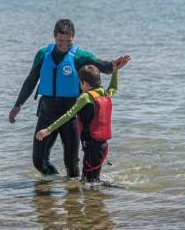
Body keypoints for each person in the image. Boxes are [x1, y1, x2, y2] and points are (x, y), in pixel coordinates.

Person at [8, 18, 131, 178]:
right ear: (54, 36)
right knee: (39, 161)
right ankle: (55, 184)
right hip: (46, 113)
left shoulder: (79, 55)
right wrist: (18, 105)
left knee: (71, 164)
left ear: (73, 38)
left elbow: (102, 66)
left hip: (71, 114)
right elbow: (31, 80)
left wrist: (114, 66)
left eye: (68, 41)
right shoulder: (43, 54)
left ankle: (71, 198)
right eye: (60, 40)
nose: (64, 44)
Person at [36, 62, 128, 183]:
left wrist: (48, 130)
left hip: (90, 147)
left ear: (84, 83)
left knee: (87, 182)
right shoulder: (105, 94)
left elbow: (69, 115)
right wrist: (115, 71)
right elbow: (113, 88)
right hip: (102, 146)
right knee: (93, 181)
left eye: (80, 82)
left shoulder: (85, 97)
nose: (80, 86)